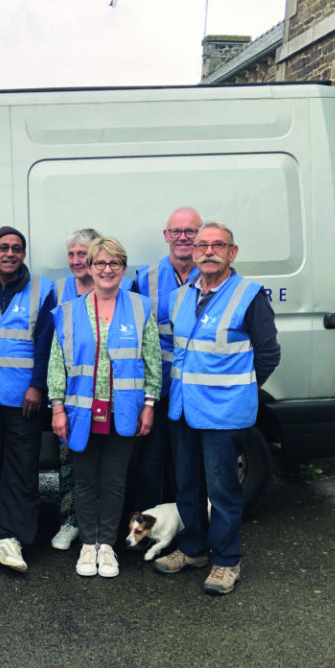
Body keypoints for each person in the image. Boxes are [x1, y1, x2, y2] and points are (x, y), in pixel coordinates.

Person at [154, 222, 280, 595]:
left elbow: (268, 353)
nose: (209, 251)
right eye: (203, 245)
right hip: (183, 408)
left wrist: (242, 390)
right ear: (193, 253)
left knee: (222, 490)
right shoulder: (180, 297)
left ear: (232, 252)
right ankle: (193, 549)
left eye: (218, 245)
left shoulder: (249, 295)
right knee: (187, 485)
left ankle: (226, 561)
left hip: (223, 413)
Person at [49, 237, 162, 579]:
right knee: (85, 481)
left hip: (123, 410)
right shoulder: (69, 312)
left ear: (123, 269)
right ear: (90, 267)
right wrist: (57, 408)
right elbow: (57, 364)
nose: (107, 269)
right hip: (80, 411)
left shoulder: (140, 307)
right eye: (100, 263)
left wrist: (149, 404)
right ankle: (88, 544)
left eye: (114, 263)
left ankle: (107, 546)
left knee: (114, 481)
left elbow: (152, 359)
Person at [0, 226, 56, 573]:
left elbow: (47, 342)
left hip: (24, 397)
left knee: (22, 467)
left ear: (23, 254)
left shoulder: (43, 289)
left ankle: (14, 534)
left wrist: (38, 385)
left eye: (17, 248)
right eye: (3, 247)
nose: (10, 253)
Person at [129, 207, 202, 514]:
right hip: (156, 384)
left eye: (190, 231)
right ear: (166, 235)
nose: (182, 238)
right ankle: (146, 525)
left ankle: (189, 525)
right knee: (150, 458)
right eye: (176, 231)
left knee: (189, 460)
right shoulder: (145, 277)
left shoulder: (213, 273)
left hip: (196, 385)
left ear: (200, 235)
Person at [50, 227, 101, 551]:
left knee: (107, 465)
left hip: (109, 394)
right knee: (69, 462)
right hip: (71, 396)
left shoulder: (117, 288)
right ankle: (70, 522)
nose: (76, 260)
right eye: (71, 254)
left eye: (82, 253)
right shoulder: (59, 290)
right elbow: (51, 345)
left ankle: (103, 526)